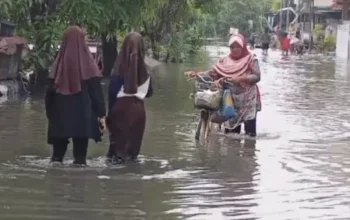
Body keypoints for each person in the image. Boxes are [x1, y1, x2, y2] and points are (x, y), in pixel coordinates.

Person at [45, 26, 106, 166]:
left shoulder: (57, 67)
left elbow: (48, 96)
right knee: (80, 160)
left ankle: (55, 183)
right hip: (83, 120)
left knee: (56, 159)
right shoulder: (90, 67)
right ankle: (78, 185)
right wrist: (102, 115)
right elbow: (97, 95)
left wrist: (50, 115)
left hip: (60, 118)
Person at [185, 34, 261, 137]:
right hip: (230, 100)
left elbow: (257, 77)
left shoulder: (251, 59)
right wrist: (197, 74)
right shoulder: (224, 61)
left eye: (237, 46)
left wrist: (241, 78)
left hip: (248, 100)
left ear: (243, 46)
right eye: (232, 47)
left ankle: (248, 152)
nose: (234, 49)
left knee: (250, 134)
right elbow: (213, 74)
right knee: (231, 134)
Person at [106, 32, 153, 164]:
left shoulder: (119, 69)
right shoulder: (146, 69)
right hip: (139, 112)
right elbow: (149, 93)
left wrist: (108, 116)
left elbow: (112, 94)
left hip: (120, 111)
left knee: (116, 154)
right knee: (132, 153)